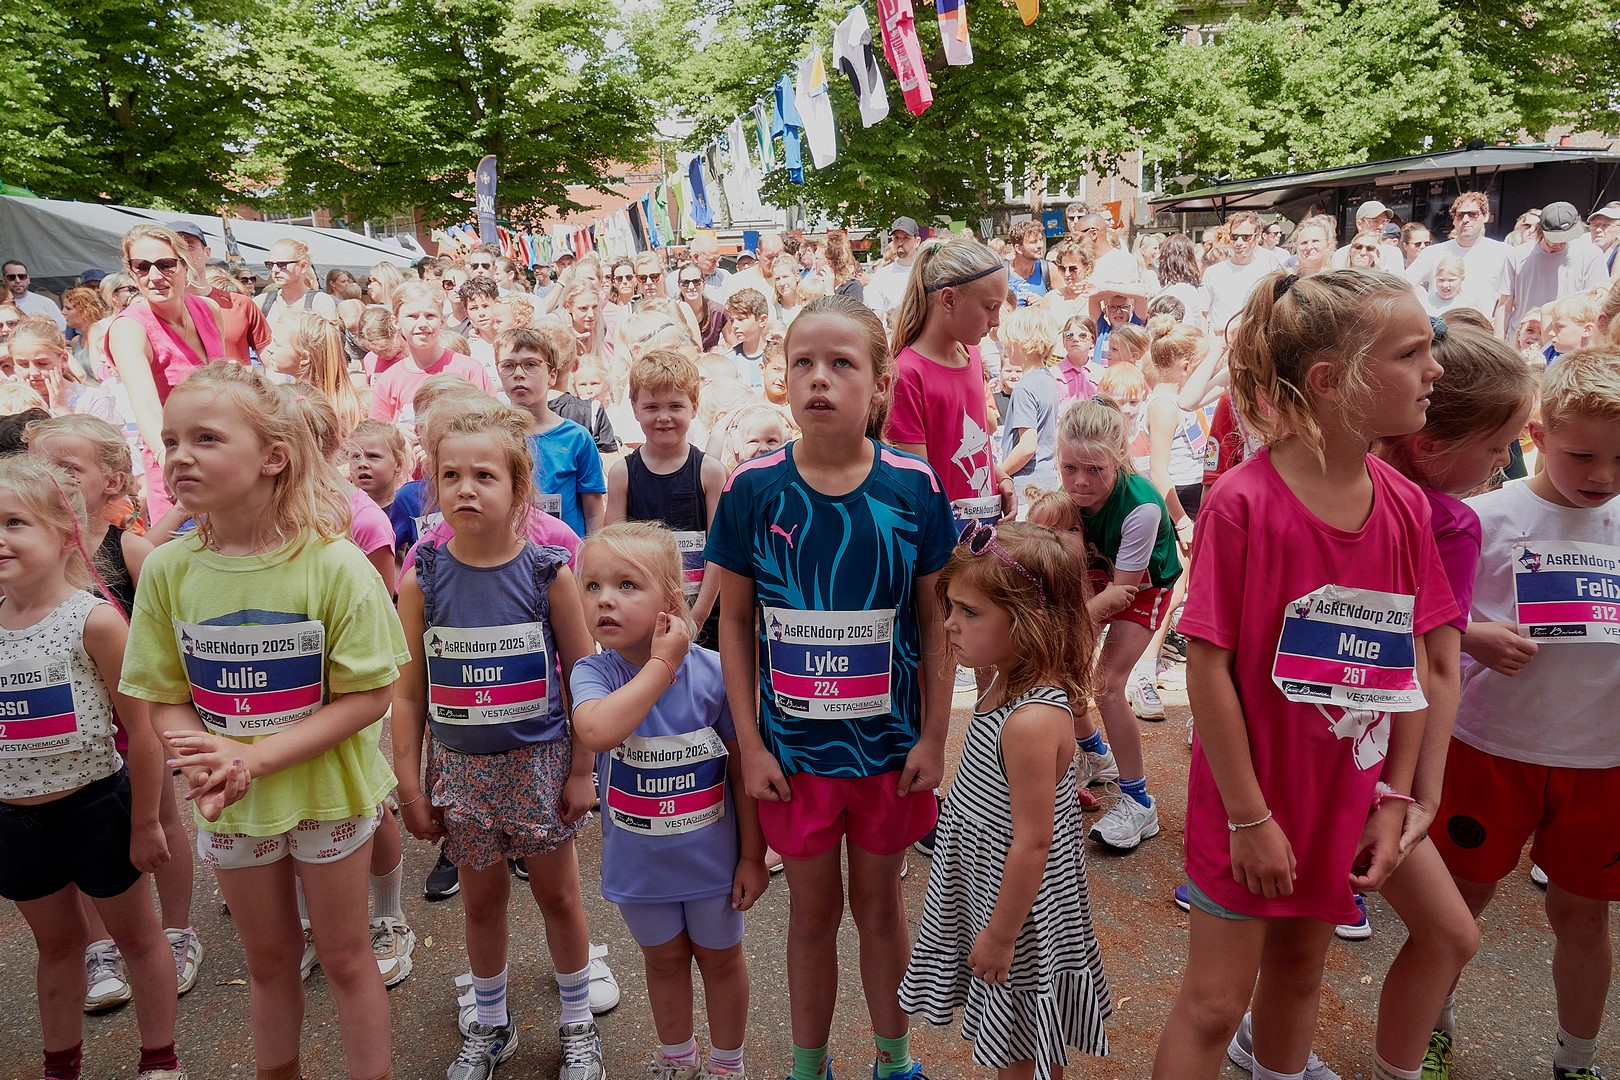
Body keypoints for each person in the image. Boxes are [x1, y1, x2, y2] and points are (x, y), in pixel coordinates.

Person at [1150, 269, 1456, 1080]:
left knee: (1299, 973)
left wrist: (1393, 796)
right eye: (1411, 353)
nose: (1435, 369)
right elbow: (1207, 667)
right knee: (1214, 1005)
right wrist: (1250, 818)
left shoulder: (1404, 505)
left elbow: (1409, 665)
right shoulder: (1243, 502)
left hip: (1345, 798)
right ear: (1330, 380)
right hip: (1251, 804)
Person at [123, 361, 405, 1080]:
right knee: (269, 961)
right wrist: (206, 757)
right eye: (171, 441)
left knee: (346, 957)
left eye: (206, 438)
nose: (180, 456)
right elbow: (161, 693)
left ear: (273, 456)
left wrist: (252, 757)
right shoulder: (167, 570)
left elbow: (370, 696)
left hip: (326, 797)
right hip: (231, 806)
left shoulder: (335, 565)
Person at [706, 294, 954, 1080]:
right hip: (794, 758)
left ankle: (894, 1060)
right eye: (802, 363)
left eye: (842, 363)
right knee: (812, 915)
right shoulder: (752, 489)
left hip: (889, 752)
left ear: (880, 385)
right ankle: (808, 1067)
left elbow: (937, 619)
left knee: (881, 910)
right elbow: (734, 625)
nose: (819, 378)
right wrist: (750, 746)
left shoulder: (913, 487)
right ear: (781, 379)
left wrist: (935, 735)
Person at [1343, 320, 1536, 1080]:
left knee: (1302, 932)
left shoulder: (1335, 479)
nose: (1503, 464)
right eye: (1497, 448)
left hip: (1320, 739)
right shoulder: (1448, 520)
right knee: (1450, 935)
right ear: (1430, 444)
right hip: (1378, 761)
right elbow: (1438, 666)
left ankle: (1267, 1042)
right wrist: (1419, 793)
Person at [391, 402, 607, 1080]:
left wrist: (582, 770)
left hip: (540, 768)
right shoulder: (423, 576)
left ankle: (577, 1023)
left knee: (559, 897)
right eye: (450, 475)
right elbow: (408, 691)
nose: (466, 489)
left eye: (484, 475)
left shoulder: (549, 571)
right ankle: (490, 1023)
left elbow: (583, 677)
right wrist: (409, 783)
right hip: (461, 773)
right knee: (481, 903)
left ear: (518, 487)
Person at [1428, 347, 1620, 1080]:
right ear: (1536, 436)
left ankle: (1578, 1060)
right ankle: (1429, 1028)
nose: (1603, 476)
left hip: (1600, 759)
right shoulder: (1485, 516)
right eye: (1583, 456)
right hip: (1491, 745)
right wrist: (1473, 633)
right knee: (1459, 903)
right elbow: (1421, 611)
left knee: (1584, 917)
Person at [898, 520, 1113, 1079]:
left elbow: (1034, 841)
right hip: (993, 887)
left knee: (1022, 1037)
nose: (949, 623)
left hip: (1020, 910)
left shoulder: (1031, 719)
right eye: (950, 607)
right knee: (1016, 1034)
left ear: (1029, 621)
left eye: (970, 612)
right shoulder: (1004, 677)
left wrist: (1001, 933)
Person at [0, 454, 189, 1080]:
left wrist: (146, 822)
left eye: (15, 522)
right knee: (57, 946)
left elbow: (143, 729)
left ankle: (159, 1059)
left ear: (64, 534)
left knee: (137, 938)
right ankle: (61, 1064)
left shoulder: (96, 621)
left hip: (96, 809)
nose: (0, 538)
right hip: (15, 822)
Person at [570, 522, 765, 1080]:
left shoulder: (715, 674)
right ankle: (678, 1058)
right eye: (593, 585)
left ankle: (727, 1065)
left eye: (627, 585)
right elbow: (597, 731)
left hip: (712, 866)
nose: (605, 599)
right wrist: (661, 666)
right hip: (641, 869)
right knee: (663, 962)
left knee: (721, 962)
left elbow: (741, 771)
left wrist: (753, 856)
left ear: (671, 602)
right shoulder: (593, 672)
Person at [1055, 399, 1180, 849]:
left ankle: (1138, 802)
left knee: (1107, 685)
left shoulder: (1141, 507)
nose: (1080, 482)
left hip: (1140, 587)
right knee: (1063, 672)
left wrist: (1062, 625)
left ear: (1119, 458)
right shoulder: (1066, 496)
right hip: (1098, 580)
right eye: (1069, 468)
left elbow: (1120, 594)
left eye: (1095, 470)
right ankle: (1096, 755)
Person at [886, 234, 1014, 532]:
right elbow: (917, 484)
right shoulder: (907, 373)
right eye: (990, 307)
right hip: (944, 541)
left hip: (985, 531)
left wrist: (1001, 477)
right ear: (948, 299)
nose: (996, 320)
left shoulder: (972, 355)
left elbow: (972, 442)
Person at [106, 224, 225, 521]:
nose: (154, 276)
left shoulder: (209, 310)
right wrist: (169, 463)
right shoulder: (129, 328)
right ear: (131, 271)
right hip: (176, 465)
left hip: (224, 458)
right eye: (142, 266)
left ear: (185, 265)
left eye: (166, 264)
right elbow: (145, 406)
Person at [604, 350, 726, 637]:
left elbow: (719, 550)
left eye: (675, 406)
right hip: (641, 615)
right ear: (635, 409)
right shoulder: (622, 474)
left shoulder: (710, 471)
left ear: (694, 407)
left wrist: (698, 616)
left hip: (704, 614)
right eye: (651, 407)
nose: (664, 417)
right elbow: (613, 552)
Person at [494, 326, 605, 537]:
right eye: (508, 365)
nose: (518, 374)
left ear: (552, 375)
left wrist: (591, 551)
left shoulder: (577, 438)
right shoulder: (492, 436)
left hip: (566, 550)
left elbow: (593, 511)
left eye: (530, 364)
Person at [368, 281, 496, 425]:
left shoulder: (470, 370)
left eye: (430, 315)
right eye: (412, 316)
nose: (422, 324)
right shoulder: (388, 381)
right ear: (396, 322)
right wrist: (396, 432)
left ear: (442, 321)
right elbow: (377, 433)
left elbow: (492, 424)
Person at [1499, 202, 1611, 337]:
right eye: (1556, 238)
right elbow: (1504, 306)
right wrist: (1498, 341)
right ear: (1541, 230)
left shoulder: (1590, 255)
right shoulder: (1517, 256)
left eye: (1567, 236)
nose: (1561, 242)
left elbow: (1595, 304)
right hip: (1522, 338)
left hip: (1565, 340)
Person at [1406, 193, 1513, 333]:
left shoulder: (1504, 253)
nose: (1465, 220)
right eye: (1460, 215)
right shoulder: (1433, 253)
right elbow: (1403, 285)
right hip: (1440, 335)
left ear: (1486, 216)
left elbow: (1508, 302)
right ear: (1454, 220)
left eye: (1473, 214)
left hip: (1481, 333)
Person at [168, 221, 271, 365]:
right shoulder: (158, 310)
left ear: (207, 252)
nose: (182, 254)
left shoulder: (241, 304)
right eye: (174, 248)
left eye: (189, 246)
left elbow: (272, 365)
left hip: (235, 380)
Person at [995, 308, 1061, 497]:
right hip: (1047, 481)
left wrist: (999, 474)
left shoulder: (1024, 387)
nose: (1005, 346)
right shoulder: (1046, 378)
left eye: (1008, 341)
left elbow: (1027, 447)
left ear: (1021, 342)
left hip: (1026, 487)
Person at [8, 317, 118, 421]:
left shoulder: (93, 400)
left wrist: (61, 410)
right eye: (23, 364)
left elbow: (104, 435)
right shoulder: (6, 402)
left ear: (63, 359)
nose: (33, 372)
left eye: (42, 363)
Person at [1201, 211, 1276, 340]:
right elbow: (1203, 314)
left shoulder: (1269, 270)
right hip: (1222, 346)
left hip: (1255, 344)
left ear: (1258, 237)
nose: (1239, 242)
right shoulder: (1213, 273)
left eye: (1246, 237)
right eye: (1234, 237)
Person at [259, 239, 339, 324]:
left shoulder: (320, 302)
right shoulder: (261, 302)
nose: (274, 270)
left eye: (282, 264)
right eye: (270, 264)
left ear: (303, 266)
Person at [865, 217, 923, 328]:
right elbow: (877, 316)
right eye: (896, 238)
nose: (900, 242)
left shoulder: (926, 271)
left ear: (917, 241)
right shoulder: (881, 276)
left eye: (906, 238)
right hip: (893, 335)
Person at [1331, 201, 1404, 272]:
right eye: (1375, 221)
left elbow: (1399, 279)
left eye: (1384, 221)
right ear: (1359, 224)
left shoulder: (1393, 253)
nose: (1381, 226)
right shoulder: (1341, 255)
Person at [3, 258, 67, 329]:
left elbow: (63, 331)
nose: (17, 280)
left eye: (22, 276)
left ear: (28, 279)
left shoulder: (46, 303)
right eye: (11, 277)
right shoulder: (2, 305)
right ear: (3, 280)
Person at [1006, 220, 1053, 307]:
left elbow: (1066, 304)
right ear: (1018, 249)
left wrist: (1044, 303)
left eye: (1040, 240)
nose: (1040, 245)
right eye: (1033, 242)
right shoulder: (1002, 272)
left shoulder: (1048, 269)